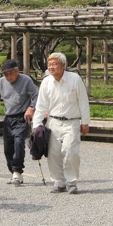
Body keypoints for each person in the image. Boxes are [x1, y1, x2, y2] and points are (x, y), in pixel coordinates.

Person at [32, 53, 91, 194]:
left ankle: (72, 182)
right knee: (53, 153)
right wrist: (36, 124)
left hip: (72, 122)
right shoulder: (46, 82)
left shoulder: (75, 79)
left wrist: (85, 122)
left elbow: (83, 101)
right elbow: (41, 105)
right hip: (53, 122)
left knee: (71, 151)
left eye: (54, 64)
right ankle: (59, 182)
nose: (51, 67)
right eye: (49, 64)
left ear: (63, 65)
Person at [0, 59, 38, 186]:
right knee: (8, 148)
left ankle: (17, 172)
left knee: (19, 144)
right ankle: (13, 172)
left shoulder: (26, 80)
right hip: (8, 118)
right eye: (6, 74)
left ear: (17, 71)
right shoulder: (2, 82)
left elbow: (36, 95)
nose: (8, 77)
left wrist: (31, 108)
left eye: (10, 74)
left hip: (22, 116)